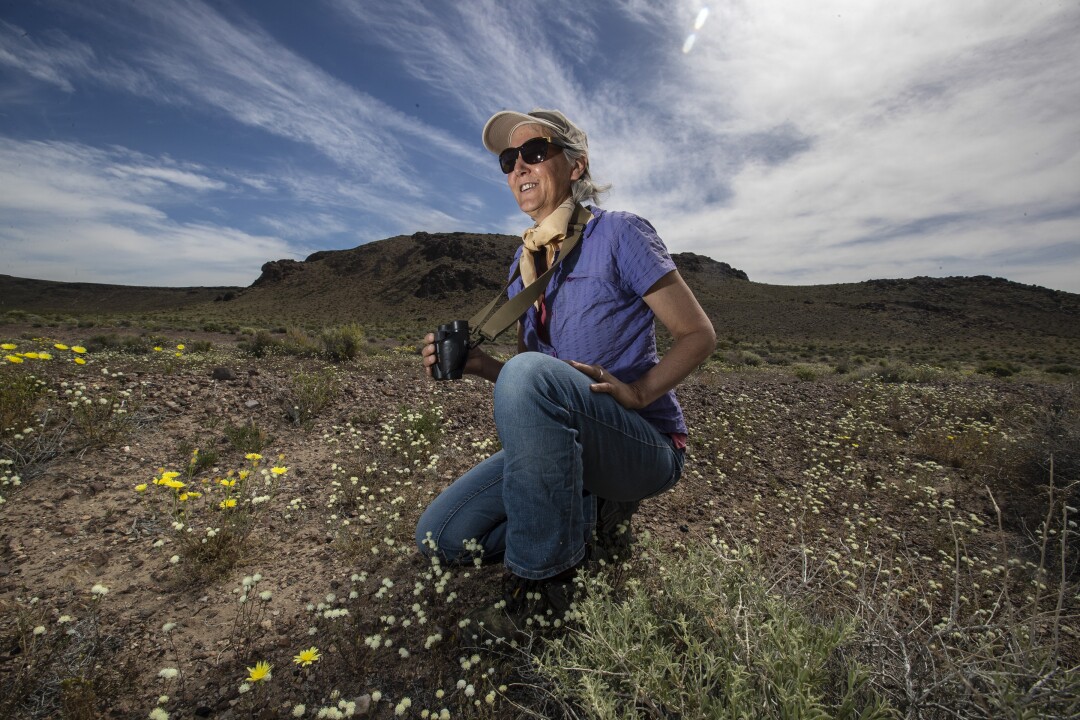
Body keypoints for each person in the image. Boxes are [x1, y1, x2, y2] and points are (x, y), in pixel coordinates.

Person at [416, 109, 716, 639]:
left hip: (642, 442)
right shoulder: (523, 264)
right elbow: (530, 381)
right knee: (441, 536)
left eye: (534, 153)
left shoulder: (620, 232)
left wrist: (640, 390)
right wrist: (480, 365)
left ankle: (546, 587)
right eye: (509, 161)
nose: (518, 168)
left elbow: (698, 335)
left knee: (531, 375)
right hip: (567, 438)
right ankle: (582, 521)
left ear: (576, 166)